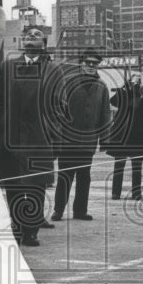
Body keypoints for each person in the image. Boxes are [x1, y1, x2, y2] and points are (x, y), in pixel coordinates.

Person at [0, 26, 65, 247]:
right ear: (22, 41)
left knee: (36, 187)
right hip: (11, 140)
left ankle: (31, 231)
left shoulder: (53, 70)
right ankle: (17, 227)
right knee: (14, 186)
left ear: (44, 42)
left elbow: (59, 106)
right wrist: (2, 126)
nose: (31, 36)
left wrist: (53, 136)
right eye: (27, 34)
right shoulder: (8, 66)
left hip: (40, 139)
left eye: (36, 34)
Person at [50, 50, 110, 222]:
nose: (91, 66)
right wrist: (56, 135)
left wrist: (105, 139)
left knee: (84, 176)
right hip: (67, 140)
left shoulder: (102, 86)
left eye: (94, 64)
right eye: (88, 63)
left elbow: (105, 115)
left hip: (88, 141)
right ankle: (58, 210)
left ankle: (80, 211)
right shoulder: (68, 82)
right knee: (65, 176)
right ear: (82, 64)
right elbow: (57, 109)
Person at [106, 73, 143, 200]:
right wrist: (124, 86)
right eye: (133, 81)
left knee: (137, 166)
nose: (135, 83)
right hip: (122, 135)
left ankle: (136, 193)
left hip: (137, 135)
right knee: (119, 165)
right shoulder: (123, 95)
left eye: (138, 81)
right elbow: (113, 100)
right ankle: (115, 192)